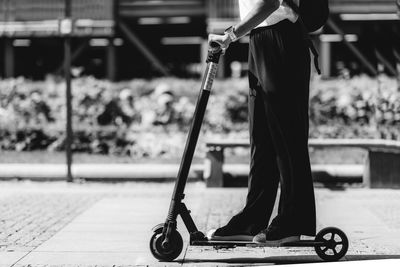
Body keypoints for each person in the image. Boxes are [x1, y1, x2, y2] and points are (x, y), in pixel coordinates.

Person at [208, 0, 316, 246]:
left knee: (286, 136)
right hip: (261, 38)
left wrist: (231, 35)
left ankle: (293, 220)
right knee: (262, 138)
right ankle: (252, 220)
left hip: (282, 38)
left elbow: (268, 3)